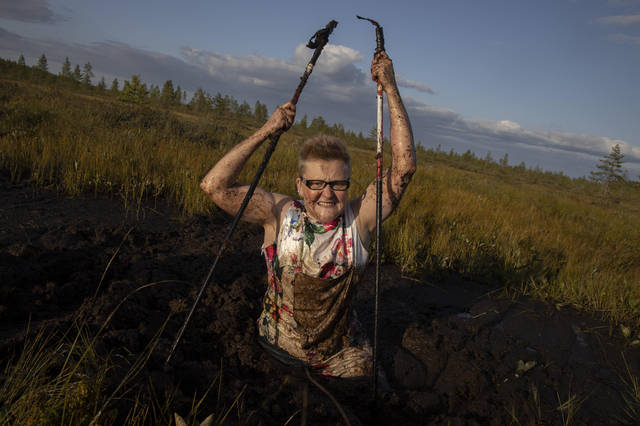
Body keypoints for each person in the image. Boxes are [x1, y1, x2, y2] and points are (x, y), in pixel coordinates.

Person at [200, 51, 416, 378]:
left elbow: (403, 169)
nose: (327, 193)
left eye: (338, 183)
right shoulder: (280, 214)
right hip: (270, 348)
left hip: (340, 360)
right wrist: (267, 130)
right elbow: (214, 186)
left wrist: (390, 86)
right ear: (300, 185)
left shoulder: (359, 220)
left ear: (348, 184)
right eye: (316, 183)